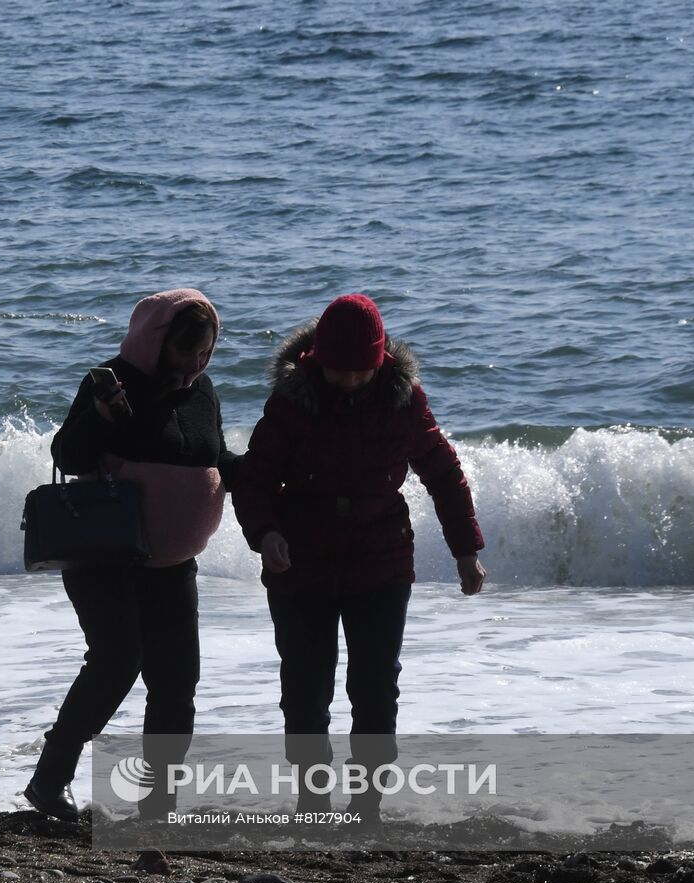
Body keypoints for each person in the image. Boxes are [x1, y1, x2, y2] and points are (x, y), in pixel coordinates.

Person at [232, 293, 485, 824]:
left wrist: (466, 551)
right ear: (316, 359)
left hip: (381, 559)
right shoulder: (292, 399)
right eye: (336, 371)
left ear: (379, 362)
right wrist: (266, 534)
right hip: (302, 560)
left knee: (374, 686)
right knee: (305, 687)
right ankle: (312, 801)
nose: (347, 381)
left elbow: (443, 472)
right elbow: (254, 479)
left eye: (359, 372)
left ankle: (367, 804)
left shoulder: (403, 398)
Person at [24, 288, 239, 822]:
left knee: (177, 680)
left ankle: (158, 801)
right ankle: (50, 781)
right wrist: (99, 417)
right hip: (107, 557)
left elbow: (215, 458)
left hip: (172, 564)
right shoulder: (114, 382)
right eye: (185, 352)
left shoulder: (202, 391)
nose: (194, 364)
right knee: (117, 663)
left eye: (205, 353)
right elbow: (67, 456)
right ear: (155, 342)